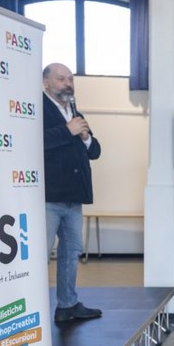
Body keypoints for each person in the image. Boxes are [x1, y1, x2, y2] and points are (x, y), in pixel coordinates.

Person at [42, 63, 102, 324]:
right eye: (61, 79)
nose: (68, 83)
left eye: (70, 79)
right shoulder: (37, 109)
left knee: (71, 252)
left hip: (74, 197)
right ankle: (35, 307)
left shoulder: (75, 113)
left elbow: (95, 151)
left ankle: (67, 304)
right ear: (46, 83)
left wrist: (86, 137)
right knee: (42, 254)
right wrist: (68, 130)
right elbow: (35, 141)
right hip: (49, 196)